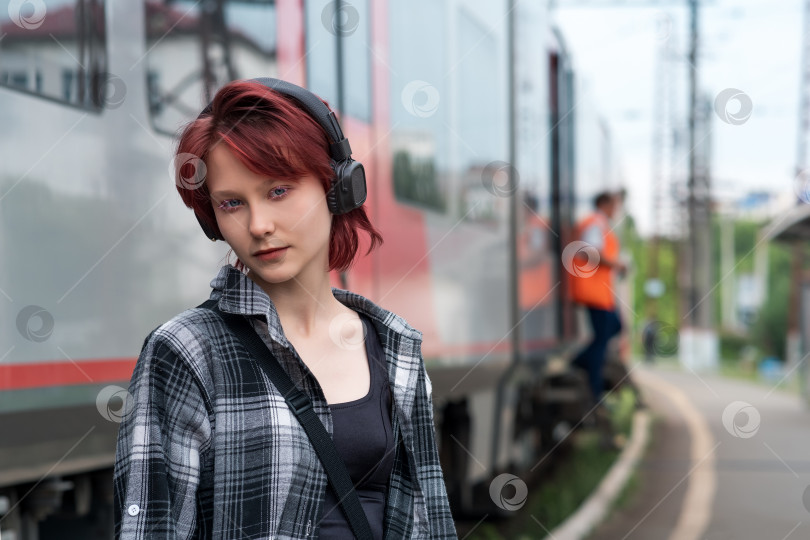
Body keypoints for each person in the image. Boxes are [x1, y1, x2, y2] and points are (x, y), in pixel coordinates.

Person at [113, 78, 458, 539]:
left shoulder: (395, 348)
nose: (258, 225)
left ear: (337, 186)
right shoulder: (185, 353)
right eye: (232, 203)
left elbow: (428, 521)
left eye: (278, 191)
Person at [569, 191, 626, 406]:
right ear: (604, 203)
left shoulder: (599, 224)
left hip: (600, 292)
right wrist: (616, 264)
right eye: (614, 204)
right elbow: (589, 252)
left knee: (614, 327)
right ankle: (592, 387)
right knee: (602, 339)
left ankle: (582, 364)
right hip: (592, 291)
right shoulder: (595, 224)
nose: (616, 210)